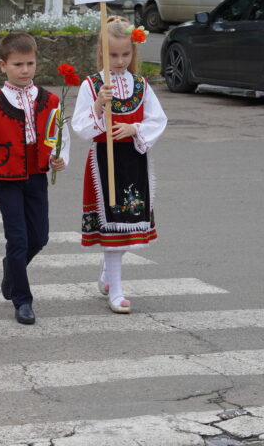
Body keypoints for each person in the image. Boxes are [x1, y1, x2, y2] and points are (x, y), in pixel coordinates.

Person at [71, 17, 167, 314]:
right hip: (104, 161)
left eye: (125, 55)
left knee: (128, 224)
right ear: (102, 53)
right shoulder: (93, 85)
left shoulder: (141, 85)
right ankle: (117, 289)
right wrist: (99, 105)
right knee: (111, 227)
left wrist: (134, 129)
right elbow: (80, 126)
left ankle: (107, 275)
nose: (120, 61)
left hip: (134, 159)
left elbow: (158, 119)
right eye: (113, 55)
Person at [0, 32, 67, 325]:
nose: (25, 70)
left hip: (36, 175)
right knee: (17, 238)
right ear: (3, 65)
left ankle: (11, 271)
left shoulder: (51, 99)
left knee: (39, 237)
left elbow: (58, 135)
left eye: (29, 63)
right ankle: (22, 299)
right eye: (17, 64)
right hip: (5, 177)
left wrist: (60, 158)